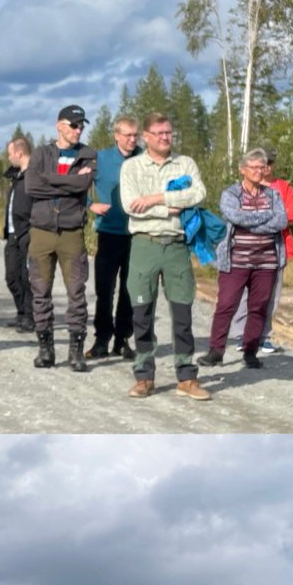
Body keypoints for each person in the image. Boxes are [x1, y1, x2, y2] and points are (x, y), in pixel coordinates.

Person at [119, 113, 210, 400]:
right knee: (142, 313)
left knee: (182, 312)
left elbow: (198, 194)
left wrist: (156, 199)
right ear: (146, 136)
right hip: (144, 244)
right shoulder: (132, 167)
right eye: (158, 133)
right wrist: (169, 208)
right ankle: (144, 376)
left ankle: (186, 376)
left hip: (176, 245)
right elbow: (131, 206)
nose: (164, 137)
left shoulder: (185, 164)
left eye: (168, 132)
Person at [198, 148, 288, 371]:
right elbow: (235, 217)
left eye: (262, 167)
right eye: (255, 167)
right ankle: (216, 351)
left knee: (258, 307)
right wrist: (264, 217)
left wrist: (252, 221)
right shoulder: (231, 194)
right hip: (236, 260)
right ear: (243, 170)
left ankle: (250, 351)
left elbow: (282, 221)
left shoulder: (273, 194)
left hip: (267, 261)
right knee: (226, 304)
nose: (260, 171)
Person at [24, 105, 96, 371]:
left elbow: (83, 185)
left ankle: (76, 350)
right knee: (40, 292)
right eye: (74, 125)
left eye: (81, 126)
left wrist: (52, 181)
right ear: (59, 125)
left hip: (71, 232)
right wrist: (69, 182)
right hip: (41, 231)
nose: (79, 130)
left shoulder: (87, 154)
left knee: (76, 292)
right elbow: (32, 186)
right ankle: (46, 349)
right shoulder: (42, 153)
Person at [229, 146, 293, 352]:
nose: (264, 168)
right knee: (244, 293)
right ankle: (241, 334)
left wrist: (259, 218)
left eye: (267, 164)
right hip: (245, 248)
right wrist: (272, 217)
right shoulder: (241, 188)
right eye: (260, 165)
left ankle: (263, 336)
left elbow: (291, 215)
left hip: (276, 247)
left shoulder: (283, 187)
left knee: (271, 294)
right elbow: (237, 215)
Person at [87, 115, 141, 360]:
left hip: (137, 233)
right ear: (116, 135)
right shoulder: (100, 158)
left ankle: (122, 339)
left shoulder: (144, 158)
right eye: (127, 135)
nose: (132, 140)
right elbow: (76, 187)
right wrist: (91, 205)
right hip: (109, 232)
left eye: (135, 135)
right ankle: (101, 339)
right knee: (104, 289)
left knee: (130, 290)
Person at [3, 137, 34, 333]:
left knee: (27, 277)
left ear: (19, 152)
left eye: (10, 153)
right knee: (12, 276)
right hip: (13, 233)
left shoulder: (34, 175)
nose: (8, 157)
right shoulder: (17, 176)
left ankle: (30, 317)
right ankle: (21, 312)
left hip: (28, 232)